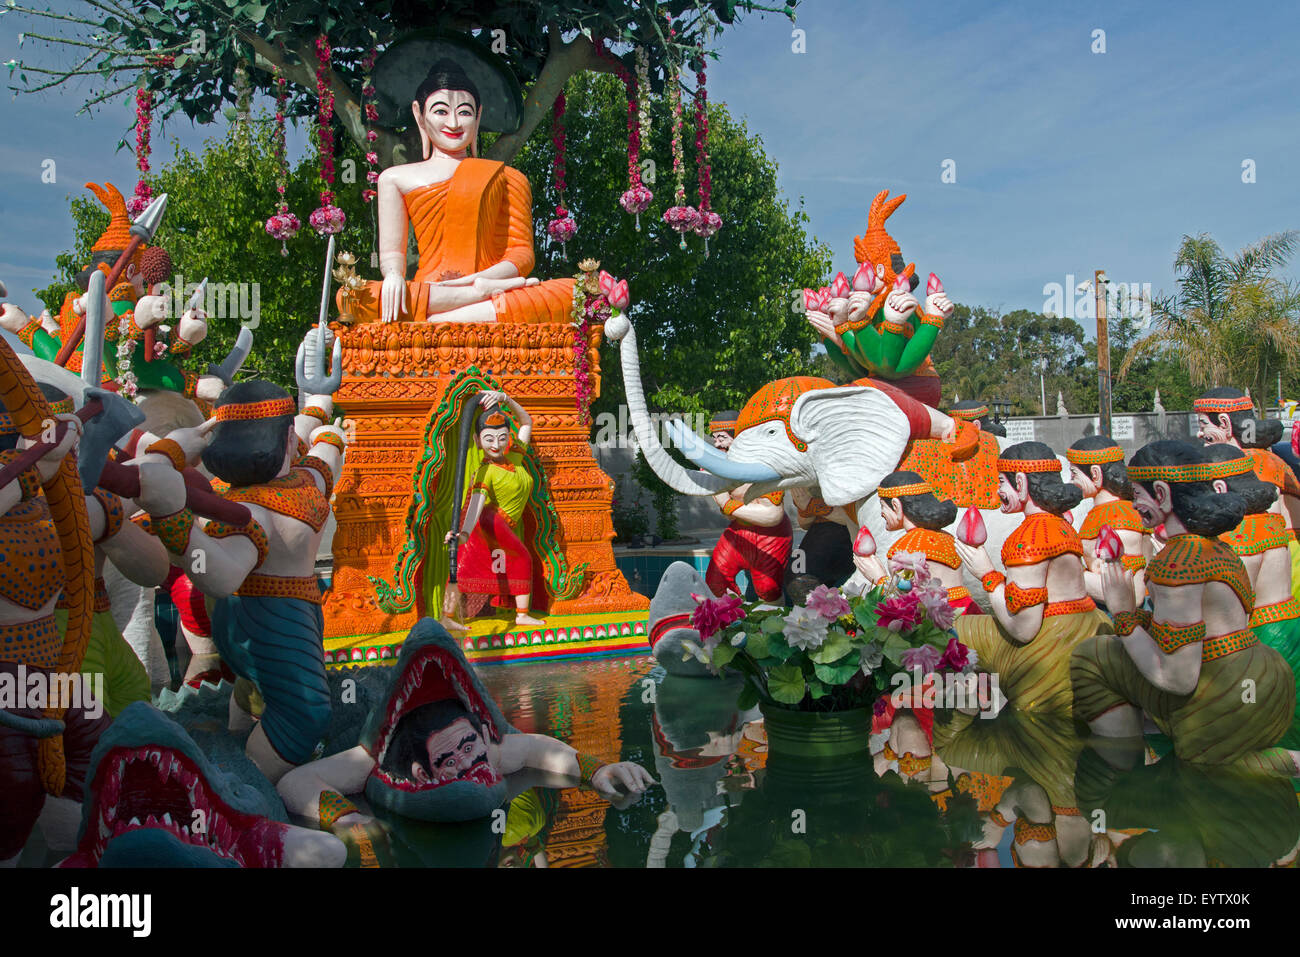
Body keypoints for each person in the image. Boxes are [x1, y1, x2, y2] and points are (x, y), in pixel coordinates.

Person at [134, 379, 347, 783]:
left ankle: (237, 733)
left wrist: (319, 413)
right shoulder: (255, 506)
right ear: (286, 439)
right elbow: (222, 575)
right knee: (306, 713)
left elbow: (318, 449)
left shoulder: (288, 485)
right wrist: (174, 521)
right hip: (269, 618)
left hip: (273, 612)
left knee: (255, 684)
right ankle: (249, 786)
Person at [1070, 441, 1297, 772]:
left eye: (1138, 495)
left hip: (1223, 694)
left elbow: (1178, 679)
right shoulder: (1216, 547)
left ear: (1161, 493)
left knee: (1090, 657)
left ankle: (1121, 775)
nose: (1134, 506)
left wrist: (1122, 617)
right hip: (1268, 678)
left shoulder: (1176, 565)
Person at [348, 59, 573, 325]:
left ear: (478, 115)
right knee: (352, 296)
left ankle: (435, 321)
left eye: (464, 113)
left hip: (487, 287)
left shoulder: (507, 177)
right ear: (419, 114)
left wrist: (480, 281)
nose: (454, 123)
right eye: (441, 111)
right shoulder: (395, 179)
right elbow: (391, 256)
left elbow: (521, 254)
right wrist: (395, 276)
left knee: (573, 292)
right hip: (434, 290)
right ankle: (467, 306)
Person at [953, 442, 1112, 714]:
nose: (998, 492)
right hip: (1088, 624)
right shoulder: (1061, 524)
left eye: (1002, 483)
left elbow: (1024, 629)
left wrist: (987, 575)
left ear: (1021, 484)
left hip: (1053, 641)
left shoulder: (1028, 540)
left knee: (953, 632)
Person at [1201, 443, 1300, 748]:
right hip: (1289, 626)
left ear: (1219, 488)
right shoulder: (1269, 522)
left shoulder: (1239, 534)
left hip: (1262, 636)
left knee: (1260, 727)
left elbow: (1237, 611)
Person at [444, 392, 545, 627]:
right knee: (522, 558)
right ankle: (520, 615)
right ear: (478, 441)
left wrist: (507, 399)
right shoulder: (485, 471)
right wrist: (465, 532)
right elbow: (477, 504)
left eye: (502, 438)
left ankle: (447, 617)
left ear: (508, 437)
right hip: (492, 520)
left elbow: (527, 422)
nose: (496, 444)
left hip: (501, 524)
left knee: (465, 565)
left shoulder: (515, 458)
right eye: (489, 439)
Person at [852, 470, 980, 615]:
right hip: (969, 611)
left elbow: (905, 602)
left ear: (896, 506)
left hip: (939, 619)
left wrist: (879, 579)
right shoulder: (948, 538)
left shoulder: (904, 548)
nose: (882, 513)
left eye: (883, 506)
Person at [705, 410, 792, 602]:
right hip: (739, 532)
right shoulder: (725, 470)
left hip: (772, 536)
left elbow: (772, 515)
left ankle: (772, 629)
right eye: (715, 439)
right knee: (716, 581)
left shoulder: (766, 466)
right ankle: (731, 626)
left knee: (768, 589)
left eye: (722, 438)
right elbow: (731, 515)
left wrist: (727, 504)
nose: (717, 444)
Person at [1066, 436, 1150, 608]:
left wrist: (1071, 573)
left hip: (1124, 617)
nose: (1070, 481)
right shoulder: (1104, 513)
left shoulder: (1120, 519)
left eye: (1074, 474)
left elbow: (1133, 594)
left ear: (1095, 474)